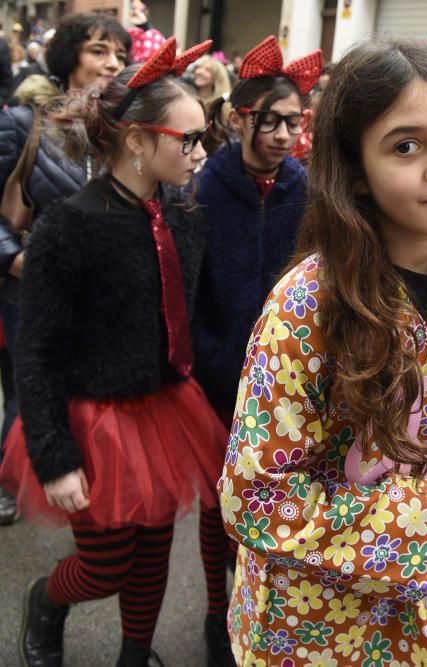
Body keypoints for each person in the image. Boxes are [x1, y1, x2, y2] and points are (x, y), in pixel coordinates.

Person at [219, 38, 427, 666]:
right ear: (354, 168)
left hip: (407, 608)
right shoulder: (307, 305)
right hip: (304, 624)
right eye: (406, 146)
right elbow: (252, 497)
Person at [0, 36, 224, 666]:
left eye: (203, 137)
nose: (201, 153)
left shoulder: (181, 214)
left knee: (153, 552)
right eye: (188, 140)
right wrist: (53, 456)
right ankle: (46, 600)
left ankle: (134, 654)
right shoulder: (68, 227)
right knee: (104, 566)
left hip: (166, 411)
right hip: (92, 419)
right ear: (136, 140)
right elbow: (36, 353)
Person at [193, 34, 321, 667]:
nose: (282, 135)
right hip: (217, 381)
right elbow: (189, 291)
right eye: (270, 122)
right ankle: (217, 614)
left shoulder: (304, 187)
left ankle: (256, 610)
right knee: (219, 505)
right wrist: (213, 355)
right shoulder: (204, 188)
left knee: (272, 505)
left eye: (293, 123)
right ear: (241, 118)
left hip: (287, 386)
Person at [0, 11, 131, 527]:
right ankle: (10, 483)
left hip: (92, 290)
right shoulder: (21, 121)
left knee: (77, 392)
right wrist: (15, 259)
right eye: (99, 50)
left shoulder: (118, 125)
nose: (111, 63)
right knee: (29, 388)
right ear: (69, 54)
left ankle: (67, 480)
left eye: (119, 54)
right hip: (27, 284)